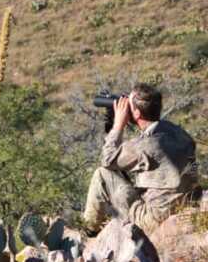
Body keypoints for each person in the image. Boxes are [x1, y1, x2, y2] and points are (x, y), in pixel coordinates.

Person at [82, 83, 198, 234]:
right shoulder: (178, 132)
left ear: (136, 113)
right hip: (185, 203)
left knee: (102, 174)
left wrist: (117, 125)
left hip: (153, 219)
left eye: (128, 105)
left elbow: (107, 159)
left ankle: (89, 231)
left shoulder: (146, 145)